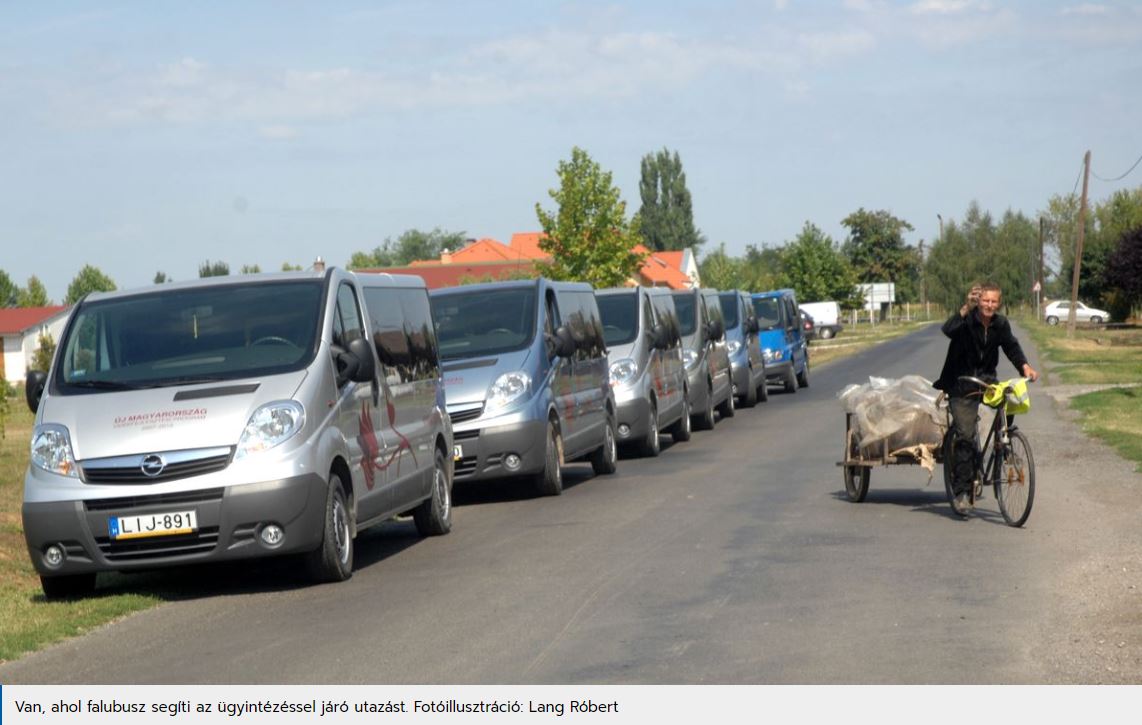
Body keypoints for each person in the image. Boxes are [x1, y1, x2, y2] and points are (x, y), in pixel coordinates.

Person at [933, 282, 1039, 515]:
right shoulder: (966, 321)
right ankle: (962, 491)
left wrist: (1025, 367)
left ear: (998, 303)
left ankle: (1004, 440)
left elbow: (1011, 347)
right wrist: (965, 309)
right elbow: (947, 330)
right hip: (961, 384)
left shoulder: (1000, 324)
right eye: (985, 301)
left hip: (987, 381)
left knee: (1011, 400)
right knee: (966, 435)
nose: (989, 305)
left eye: (993, 301)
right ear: (978, 301)